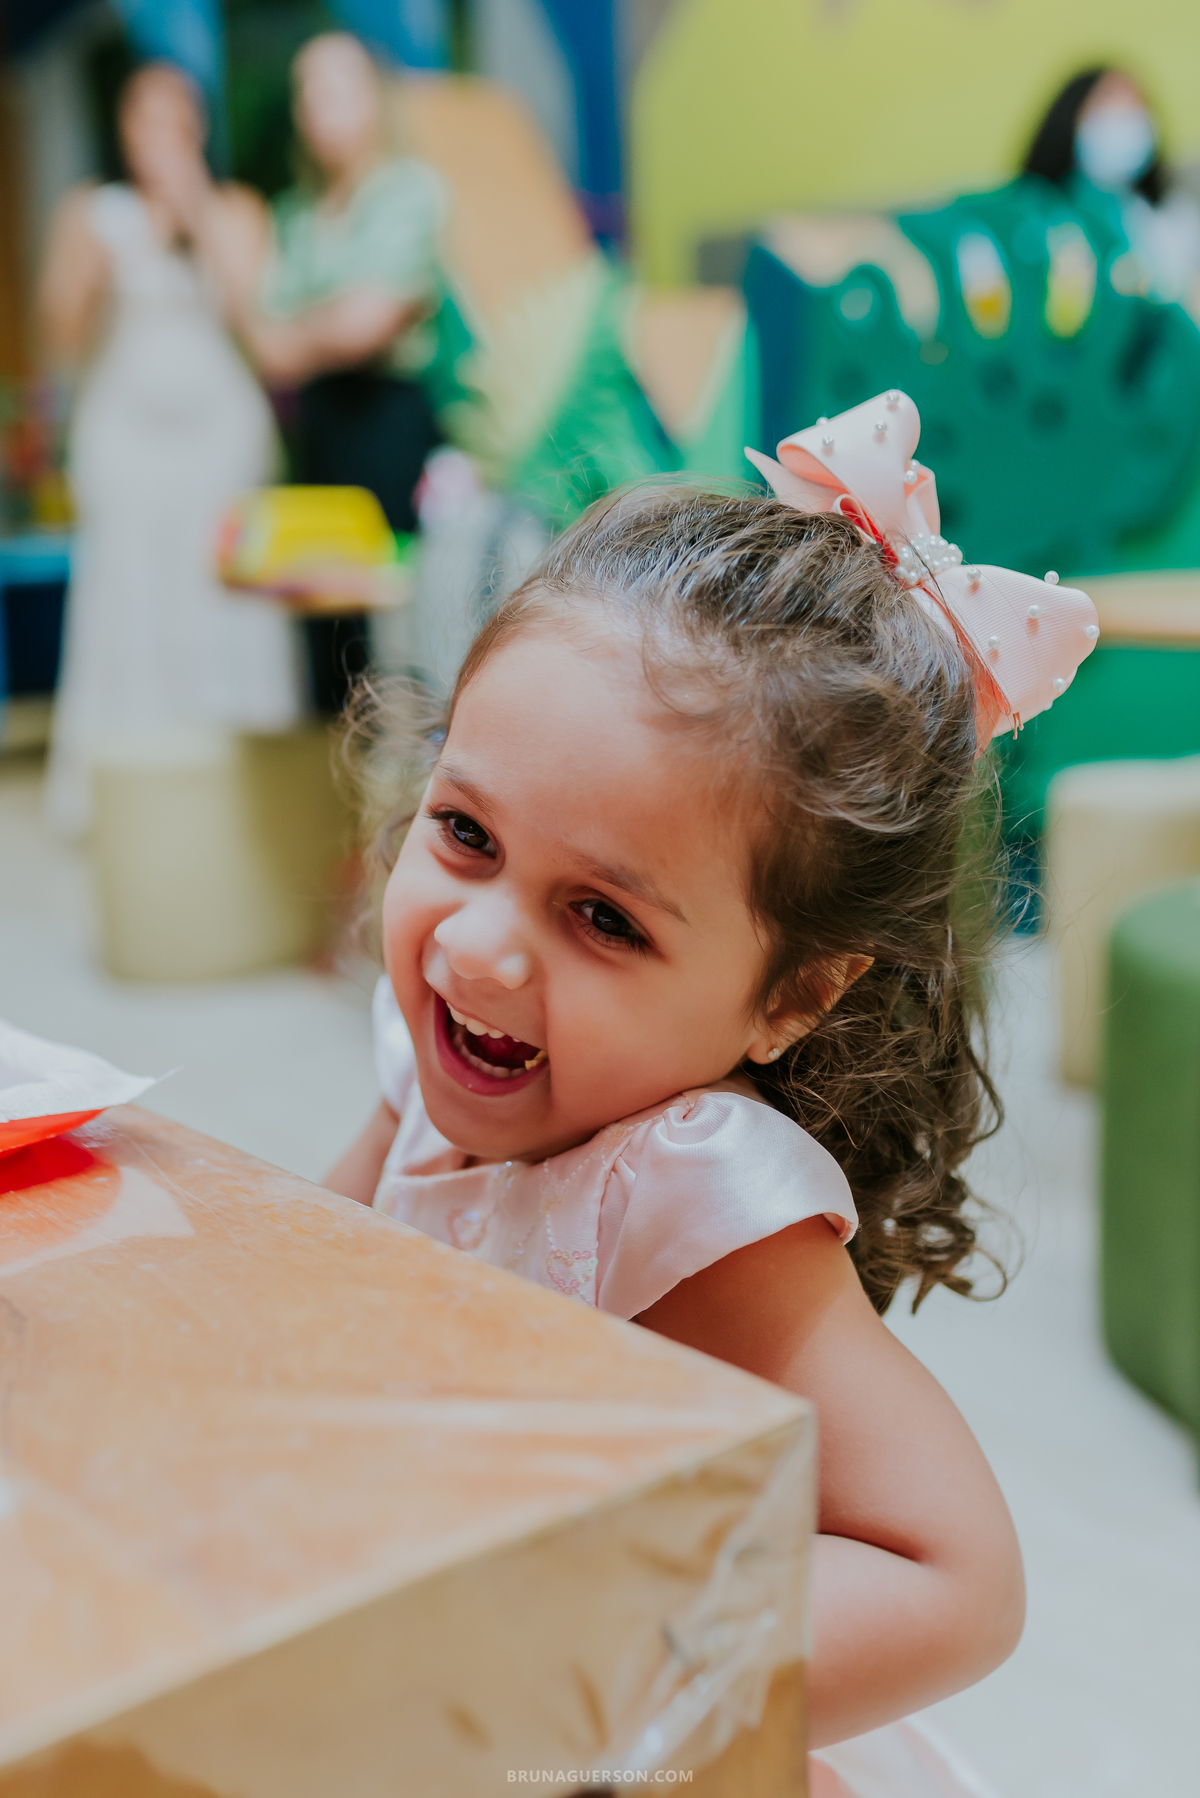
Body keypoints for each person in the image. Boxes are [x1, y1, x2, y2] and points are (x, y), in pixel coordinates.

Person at [323, 390, 1099, 1787]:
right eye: (464, 831)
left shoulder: (686, 1185)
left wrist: (591, 1673)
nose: (481, 945)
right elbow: (316, 1281)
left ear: (793, 994)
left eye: (605, 918)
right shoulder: (424, 1048)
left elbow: (956, 1574)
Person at [38, 63, 301, 837]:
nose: (163, 136)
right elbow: (58, 333)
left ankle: (236, 780)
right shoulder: (93, 212)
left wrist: (195, 210)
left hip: (217, 443)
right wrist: (107, 256)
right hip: (125, 441)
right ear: (123, 129)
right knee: (129, 597)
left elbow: (262, 318)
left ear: (200, 128)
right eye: (147, 119)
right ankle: (121, 790)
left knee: (223, 600)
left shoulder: (237, 210)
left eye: (178, 119)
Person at [201, 32, 446, 715]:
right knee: (324, 633)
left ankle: (405, 787)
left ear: (375, 98)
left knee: (394, 625)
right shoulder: (296, 216)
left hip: (390, 429)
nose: (318, 106)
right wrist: (319, 330)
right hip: (320, 432)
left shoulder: (409, 192)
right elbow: (273, 348)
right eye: (307, 90)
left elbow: (360, 328)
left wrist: (300, 330)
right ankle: (336, 792)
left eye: (336, 87)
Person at [1023, 66, 1200, 309]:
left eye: (1137, 105)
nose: (1125, 118)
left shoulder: (1169, 214)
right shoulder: (1040, 218)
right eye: (1108, 101)